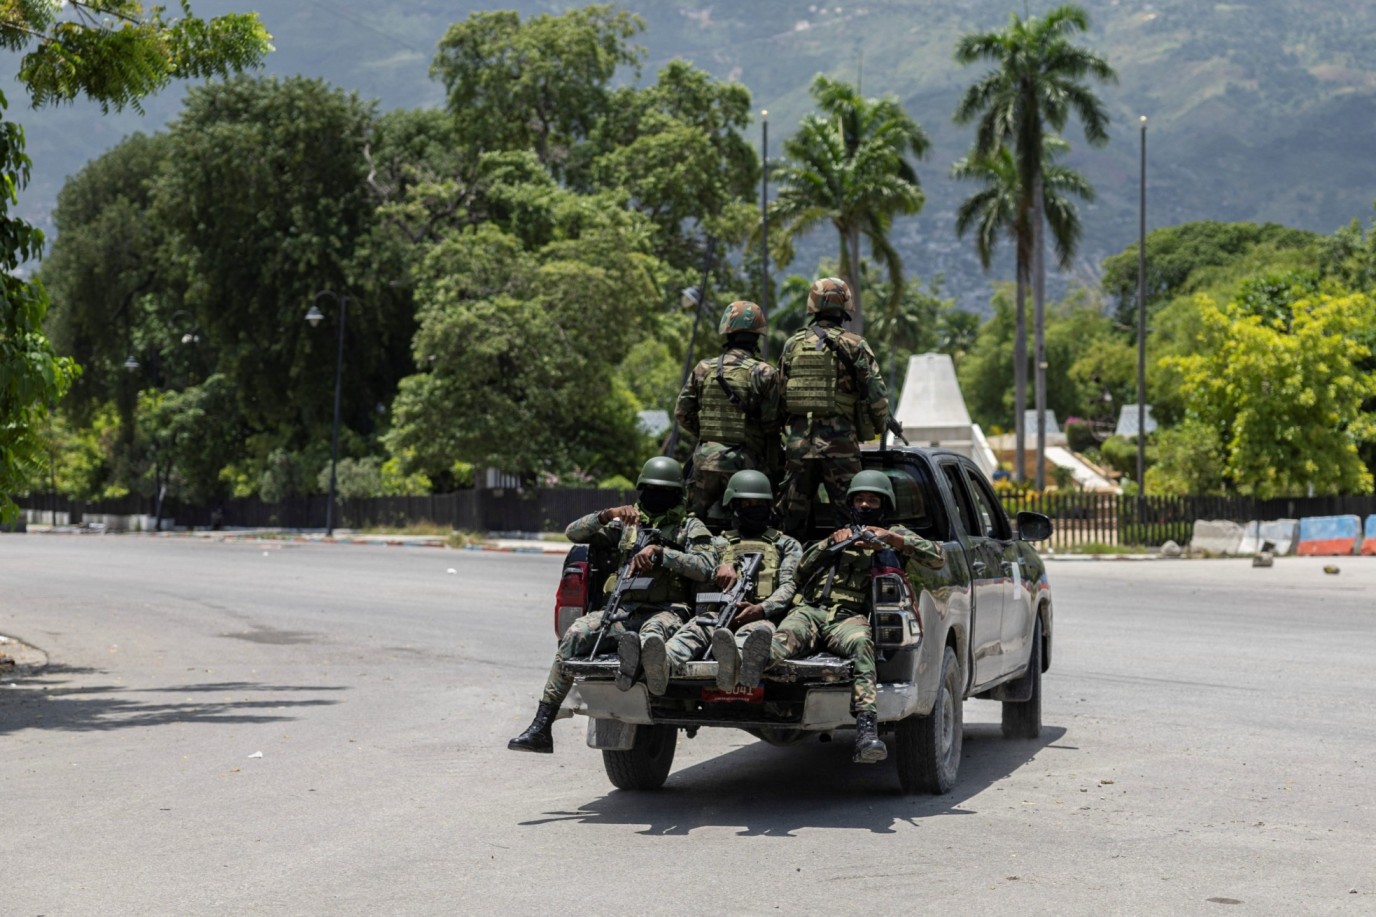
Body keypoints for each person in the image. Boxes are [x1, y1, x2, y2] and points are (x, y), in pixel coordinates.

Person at [507, 456, 717, 754]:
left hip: (667, 610)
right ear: (640, 490)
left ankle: (631, 674)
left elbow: (706, 565)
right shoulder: (627, 524)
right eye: (649, 489)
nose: (654, 496)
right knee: (574, 635)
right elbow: (573, 533)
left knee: (651, 638)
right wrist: (608, 515)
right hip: (621, 610)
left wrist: (662, 554)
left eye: (663, 490)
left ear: (676, 494)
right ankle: (542, 726)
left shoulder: (687, 526)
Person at [764, 470, 945, 764]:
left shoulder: (895, 534)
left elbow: (937, 557)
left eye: (872, 500)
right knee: (775, 645)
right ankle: (748, 676)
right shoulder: (840, 532)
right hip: (811, 611)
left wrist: (892, 540)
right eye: (859, 499)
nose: (864, 505)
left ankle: (866, 733)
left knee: (863, 645)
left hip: (848, 618)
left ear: (884, 504)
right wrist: (829, 544)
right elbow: (801, 570)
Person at [638, 469, 802, 695]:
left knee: (753, 637)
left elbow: (789, 585)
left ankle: (732, 665)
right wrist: (719, 569)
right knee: (693, 630)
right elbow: (701, 569)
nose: (752, 508)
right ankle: (662, 664)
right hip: (718, 614)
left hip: (760, 618)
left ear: (769, 506)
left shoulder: (787, 544)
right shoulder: (718, 543)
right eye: (745, 504)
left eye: (758, 503)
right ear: (733, 507)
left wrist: (762, 609)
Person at [776, 277, 891, 537]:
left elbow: (779, 395)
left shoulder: (793, 345)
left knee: (792, 522)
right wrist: (880, 424)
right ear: (845, 307)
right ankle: (847, 571)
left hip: (799, 448)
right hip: (840, 447)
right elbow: (877, 394)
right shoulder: (854, 344)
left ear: (812, 306)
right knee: (850, 518)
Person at [674, 300, 782, 528]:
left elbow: (682, 414)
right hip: (746, 463)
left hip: (705, 461)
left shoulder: (704, 368)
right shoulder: (766, 372)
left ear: (727, 331)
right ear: (758, 335)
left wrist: (709, 438)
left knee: (693, 524)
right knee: (750, 525)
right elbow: (772, 424)